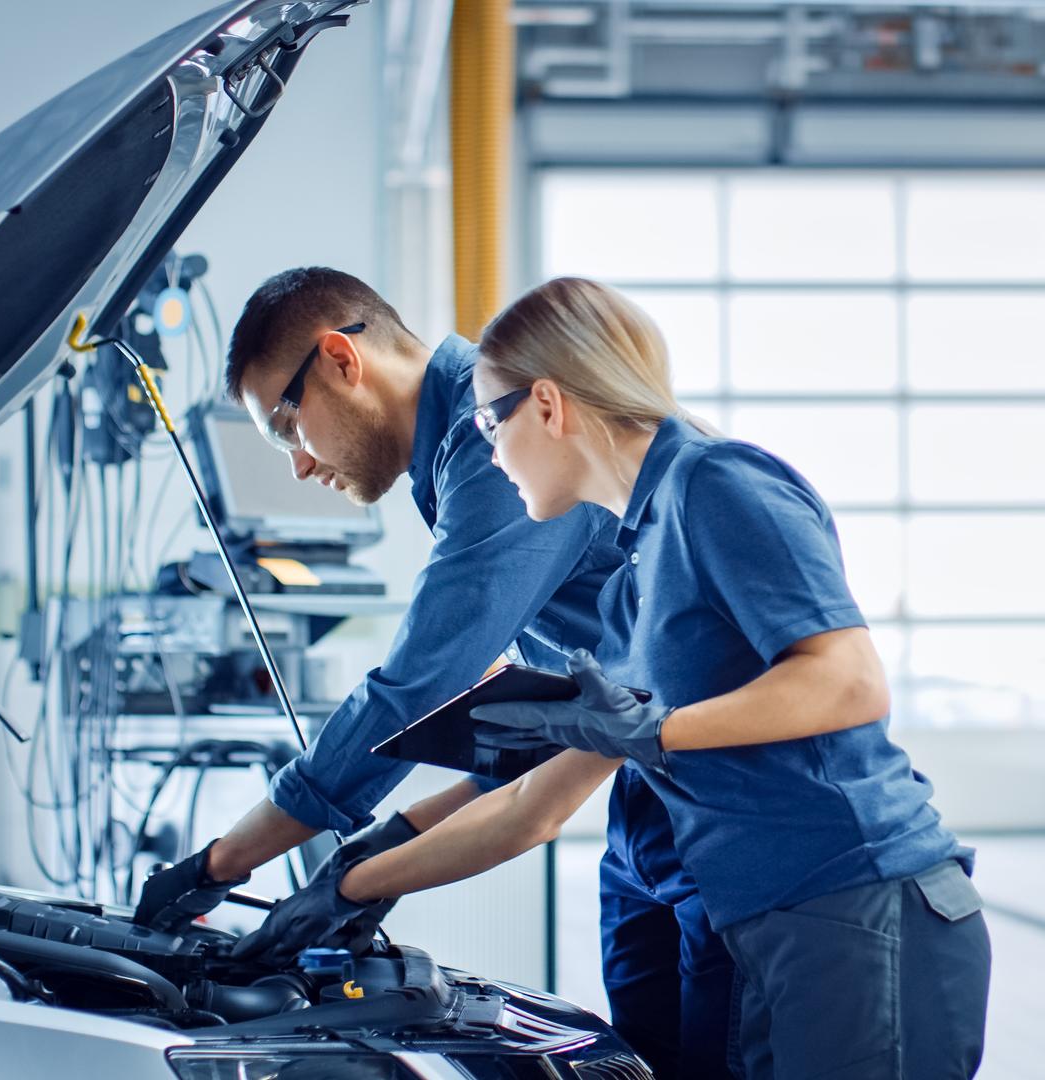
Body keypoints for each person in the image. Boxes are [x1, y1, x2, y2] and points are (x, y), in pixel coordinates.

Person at [239, 277, 992, 1079]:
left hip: (855, 898)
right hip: (769, 915)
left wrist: (652, 731)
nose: (486, 453)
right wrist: (356, 878)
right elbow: (536, 796)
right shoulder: (636, 567)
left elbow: (849, 685)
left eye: (492, 423)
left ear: (552, 407)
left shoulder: (720, 484)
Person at [132, 268, 738, 1079]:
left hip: (733, 817)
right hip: (647, 810)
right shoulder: (469, 460)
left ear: (341, 360)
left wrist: (222, 862)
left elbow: (416, 689)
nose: (300, 467)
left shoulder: (502, 445)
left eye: (286, 428)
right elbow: (560, 716)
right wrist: (396, 836)